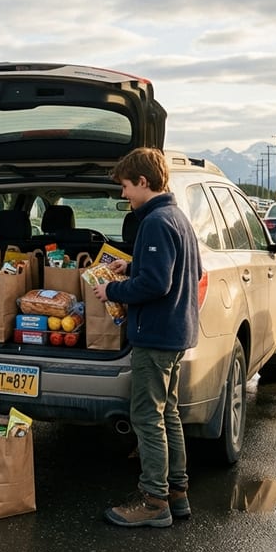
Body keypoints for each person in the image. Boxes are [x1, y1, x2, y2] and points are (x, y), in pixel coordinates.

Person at [92, 147, 201, 528]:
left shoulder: (155, 222)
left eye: (125, 186)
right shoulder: (177, 217)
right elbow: (184, 268)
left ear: (143, 182)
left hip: (155, 334)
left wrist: (114, 291)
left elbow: (157, 283)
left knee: (146, 417)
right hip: (175, 332)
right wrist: (133, 263)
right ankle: (177, 493)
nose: (123, 195)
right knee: (167, 413)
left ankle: (154, 501)